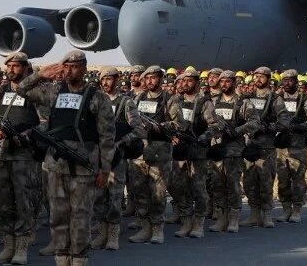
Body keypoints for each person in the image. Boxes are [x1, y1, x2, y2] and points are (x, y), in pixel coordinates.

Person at [16, 50, 115, 266]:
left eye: (74, 67)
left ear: (85, 69)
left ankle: (79, 259)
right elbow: (21, 89)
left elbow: (107, 136)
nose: (69, 71)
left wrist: (105, 169)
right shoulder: (54, 92)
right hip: (56, 165)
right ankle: (62, 258)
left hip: (84, 166)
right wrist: (40, 75)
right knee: (58, 217)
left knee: (80, 216)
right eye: (66, 67)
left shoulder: (97, 98)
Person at [0, 52, 42, 265]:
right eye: (8, 66)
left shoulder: (35, 93)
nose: (11, 69)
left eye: (16, 66)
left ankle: (21, 248)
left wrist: (26, 135)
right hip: (1, 155)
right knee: (3, 203)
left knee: (24, 202)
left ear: (26, 68)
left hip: (23, 155)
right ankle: (8, 246)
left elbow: (45, 122)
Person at [91, 67, 145, 251]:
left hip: (116, 158)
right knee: (98, 196)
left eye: (109, 79)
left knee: (115, 197)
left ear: (117, 79)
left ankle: (113, 234)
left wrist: (121, 141)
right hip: (98, 157)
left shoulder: (125, 102)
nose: (105, 82)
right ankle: (102, 232)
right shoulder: (95, 101)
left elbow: (138, 129)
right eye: (103, 79)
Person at [128, 65, 177, 245]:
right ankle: (145, 227)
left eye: (153, 77)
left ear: (160, 79)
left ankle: (157, 229)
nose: (149, 81)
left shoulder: (169, 99)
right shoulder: (138, 98)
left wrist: (159, 127)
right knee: (139, 191)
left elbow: (178, 124)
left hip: (160, 153)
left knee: (158, 193)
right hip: (140, 152)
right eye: (147, 78)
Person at [167, 68, 215, 239]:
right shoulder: (175, 101)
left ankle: (199, 223)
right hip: (180, 151)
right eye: (183, 80)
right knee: (179, 187)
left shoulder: (204, 102)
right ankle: (187, 221)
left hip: (198, 152)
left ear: (196, 82)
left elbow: (214, 125)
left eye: (189, 80)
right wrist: (171, 136)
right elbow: (168, 122)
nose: (185, 83)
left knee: (199, 189)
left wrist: (203, 138)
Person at [207, 71, 255, 234]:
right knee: (217, 185)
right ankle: (221, 217)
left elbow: (255, 122)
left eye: (228, 81)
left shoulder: (242, 102)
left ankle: (234, 218)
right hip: (217, 149)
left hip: (234, 150)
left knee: (233, 185)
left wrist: (238, 130)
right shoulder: (213, 102)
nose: (224, 84)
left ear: (234, 83)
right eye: (222, 81)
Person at [241, 66, 290, 227]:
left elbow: (284, 122)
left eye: (262, 77)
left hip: (266, 146)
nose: (258, 79)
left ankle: (267, 214)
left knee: (266, 181)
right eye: (256, 76)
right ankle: (254, 214)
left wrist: (268, 127)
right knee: (249, 181)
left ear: (268, 79)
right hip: (249, 145)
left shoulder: (275, 99)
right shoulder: (247, 98)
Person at [276, 69, 307, 222]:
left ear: (296, 82)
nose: (287, 83)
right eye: (285, 80)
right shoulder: (277, 98)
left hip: (298, 145)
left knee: (298, 179)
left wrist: (300, 126)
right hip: (281, 145)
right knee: (283, 179)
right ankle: (286, 209)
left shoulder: (305, 99)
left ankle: (297, 209)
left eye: (290, 80)